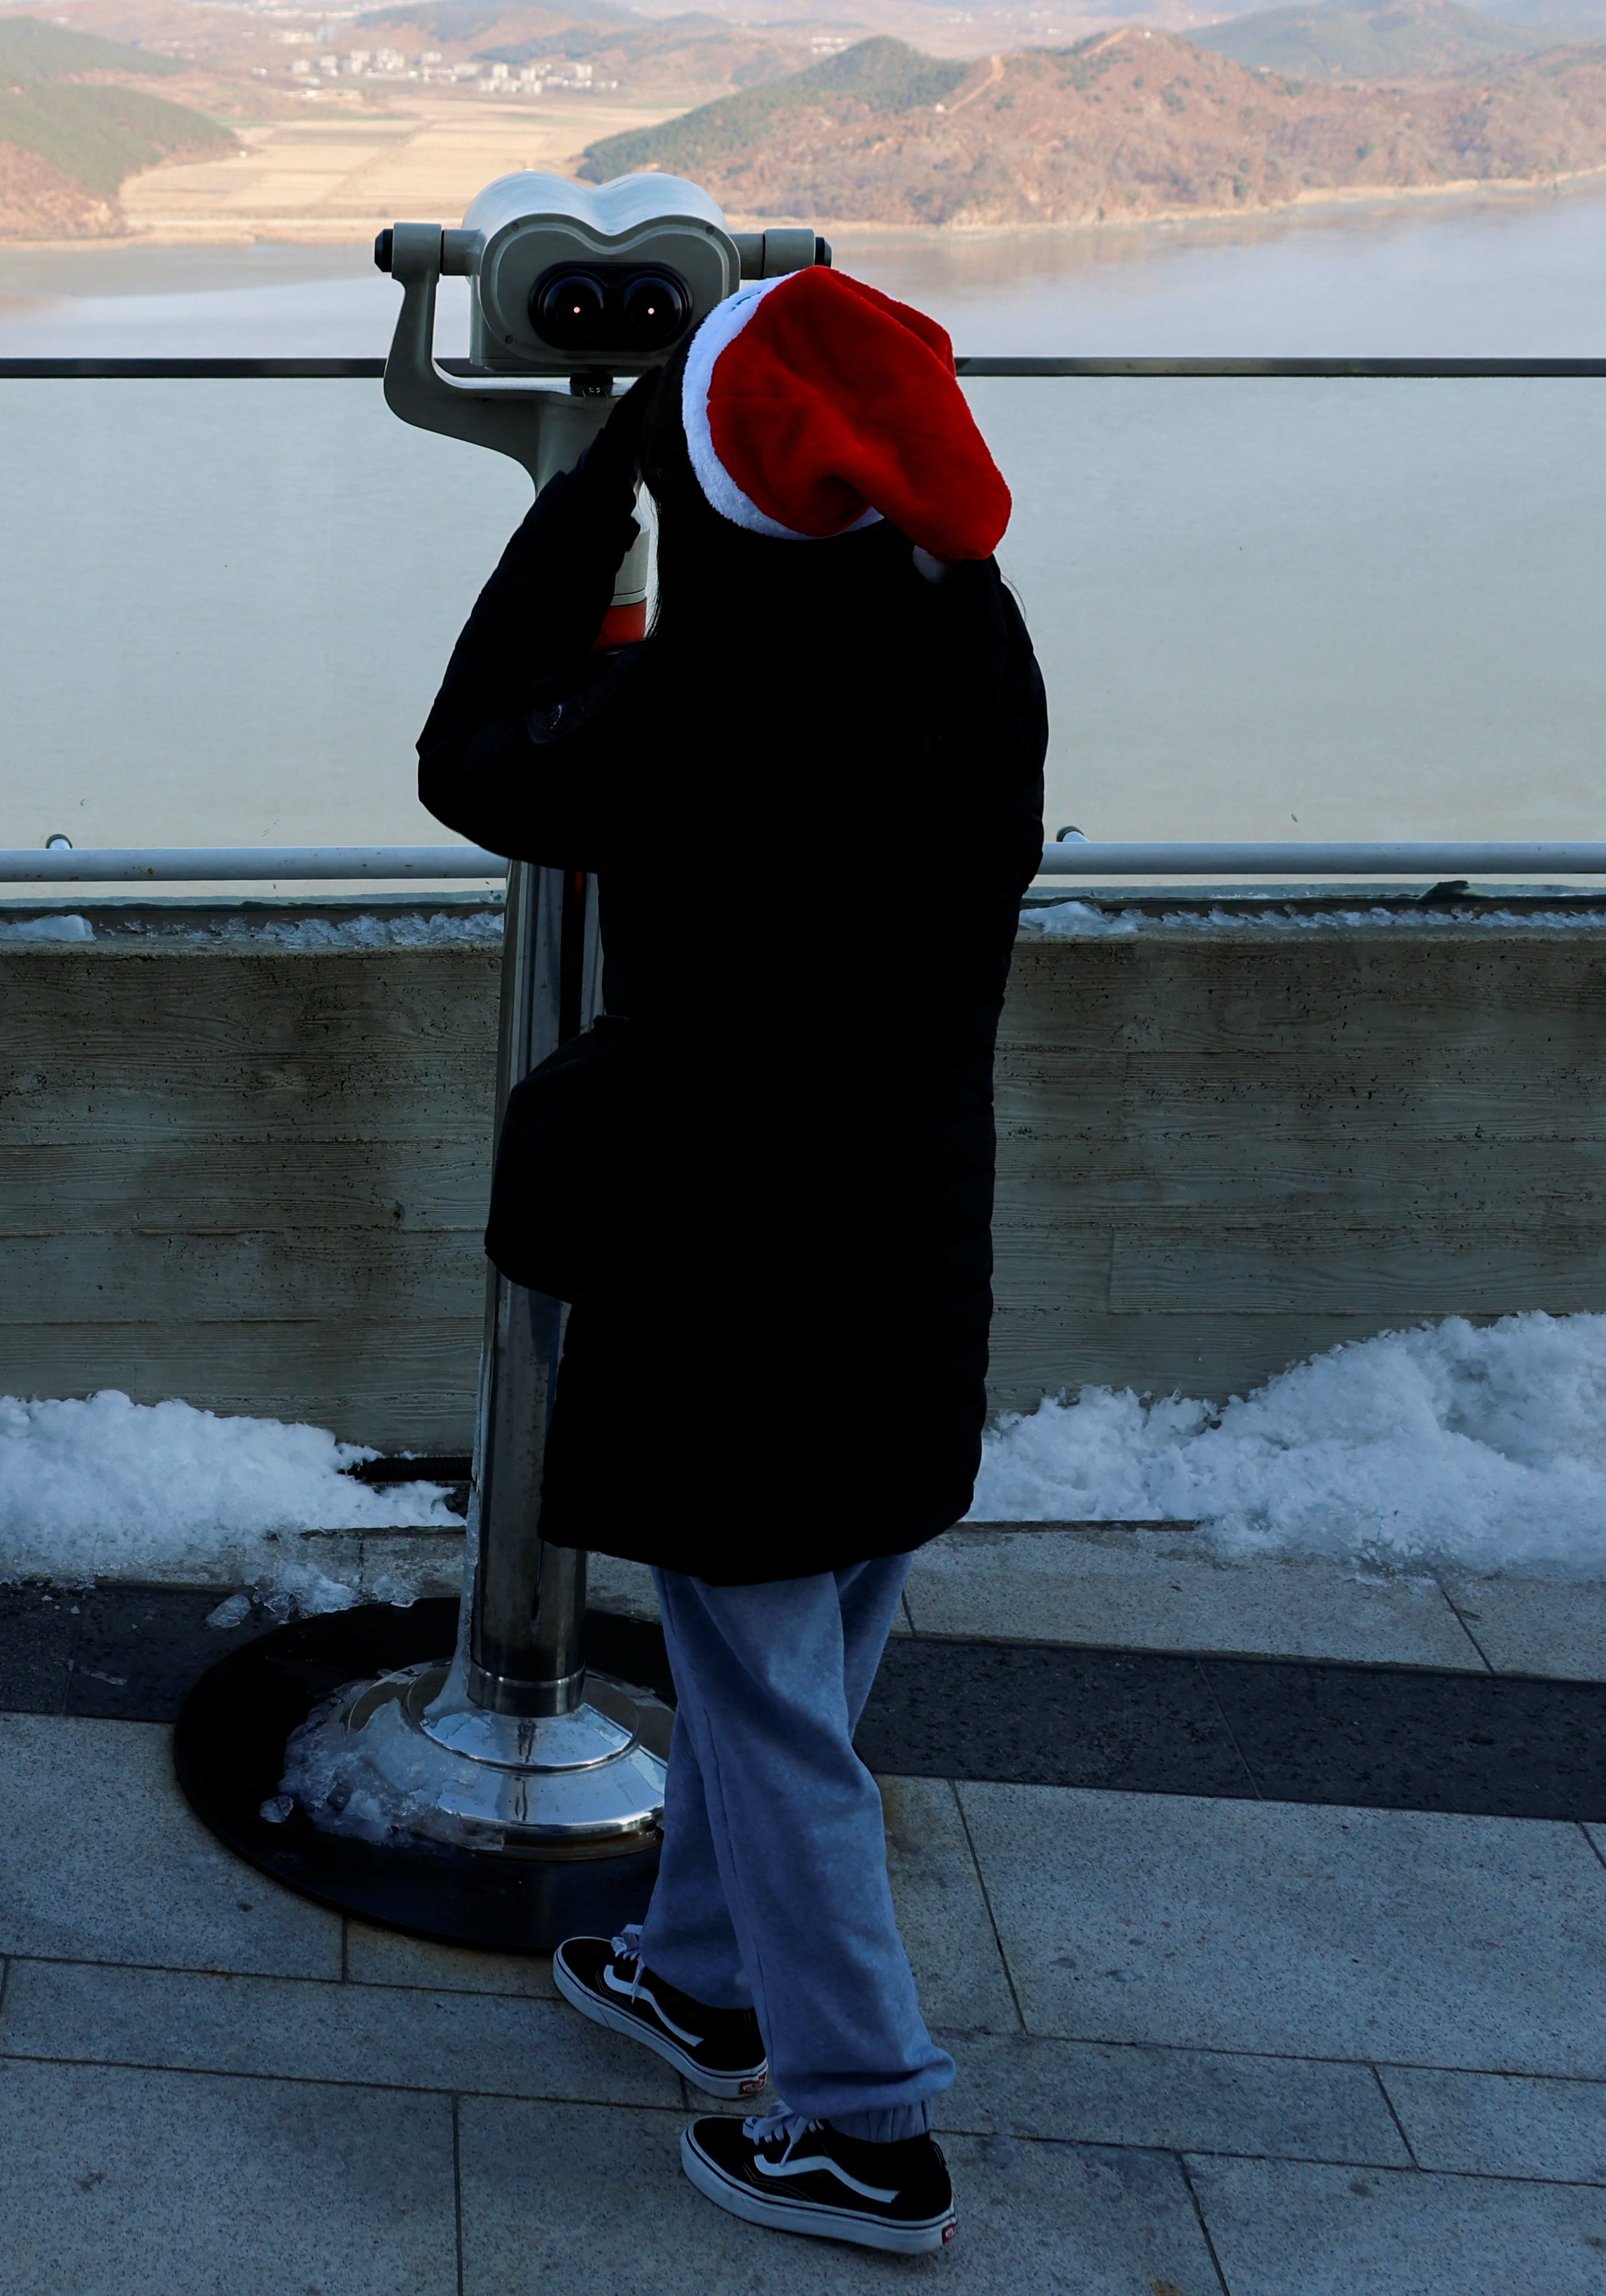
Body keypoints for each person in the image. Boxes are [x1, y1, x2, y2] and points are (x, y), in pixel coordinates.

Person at [416, 263, 1045, 2262]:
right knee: (798, 1634)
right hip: (915, 1232)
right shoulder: (975, 637)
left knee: (772, 1702)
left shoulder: (709, 701)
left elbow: (470, 752)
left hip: (742, 1259)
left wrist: (589, 480)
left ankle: (867, 2121)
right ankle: (699, 1973)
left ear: (714, 477)